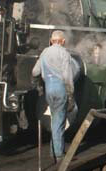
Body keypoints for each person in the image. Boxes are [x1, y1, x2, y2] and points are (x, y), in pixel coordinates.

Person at [31, 30, 80, 161]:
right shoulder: (64, 53)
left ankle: (54, 151)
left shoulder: (45, 52)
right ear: (63, 41)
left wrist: (37, 85)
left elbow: (35, 72)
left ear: (51, 41)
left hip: (49, 90)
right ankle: (59, 155)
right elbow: (68, 77)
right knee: (59, 121)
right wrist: (71, 95)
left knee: (55, 120)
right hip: (60, 90)